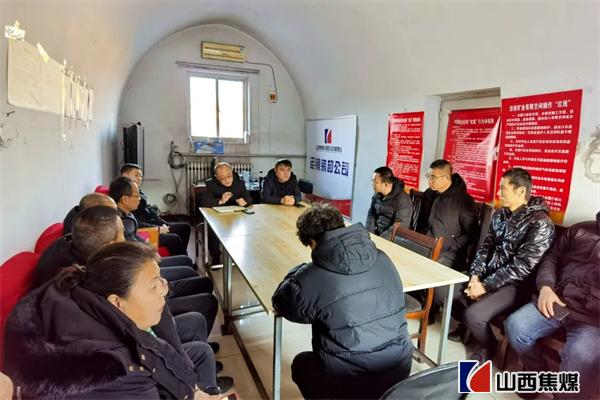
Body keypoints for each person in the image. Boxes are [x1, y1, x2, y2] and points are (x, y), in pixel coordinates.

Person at [4, 242, 221, 399]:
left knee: (200, 352)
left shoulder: (76, 292)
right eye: (154, 285)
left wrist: (192, 392)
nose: (165, 290)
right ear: (117, 302)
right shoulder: (113, 371)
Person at [272, 203, 413, 399]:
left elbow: (281, 303)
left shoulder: (310, 277)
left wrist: (298, 271)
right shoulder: (382, 258)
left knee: (301, 364)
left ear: (312, 241)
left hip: (348, 380)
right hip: (399, 369)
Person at [451, 167, 555, 363]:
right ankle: (472, 329)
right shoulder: (500, 214)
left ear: (521, 191)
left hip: (515, 285)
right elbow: (485, 247)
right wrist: (475, 276)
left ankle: (489, 346)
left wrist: (485, 286)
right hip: (488, 276)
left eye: (503, 188)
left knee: (474, 315)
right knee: (445, 293)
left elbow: (521, 267)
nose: (498, 193)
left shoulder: (540, 223)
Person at [505, 211, 600, 400]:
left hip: (592, 319)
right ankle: (538, 373)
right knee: (515, 326)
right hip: (558, 300)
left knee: (582, 356)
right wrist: (546, 287)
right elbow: (551, 258)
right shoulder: (580, 230)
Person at [417, 159, 477, 268]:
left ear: (445, 178)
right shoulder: (429, 194)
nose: (429, 180)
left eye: (433, 177)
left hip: (449, 254)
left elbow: (471, 234)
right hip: (425, 246)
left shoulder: (463, 200)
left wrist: (449, 246)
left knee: (426, 269)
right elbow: (421, 222)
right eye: (428, 176)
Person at [121, 163, 191, 255]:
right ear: (125, 176)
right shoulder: (126, 197)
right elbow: (138, 223)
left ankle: (181, 254)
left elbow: (151, 212)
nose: (140, 178)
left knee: (185, 228)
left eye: (141, 176)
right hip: (146, 231)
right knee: (174, 238)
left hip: (152, 224)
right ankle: (181, 258)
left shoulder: (138, 192)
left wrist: (163, 223)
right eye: (136, 175)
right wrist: (158, 229)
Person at [200, 162, 253, 266]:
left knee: (247, 227)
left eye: (229, 176)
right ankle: (216, 256)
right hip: (217, 217)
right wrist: (220, 201)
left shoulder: (239, 183)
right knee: (212, 230)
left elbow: (249, 198)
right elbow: (204, 202)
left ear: (232, 173)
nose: (227, 180)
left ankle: (241, 254)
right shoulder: (211, 185)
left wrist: (245, 202)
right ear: (216, 177)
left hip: (236, 216)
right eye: (222, 178)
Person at [366, 166, 412, 238]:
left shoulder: (403, 199)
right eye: (372, 181)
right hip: (377, 235)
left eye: (375, 182)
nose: (372, 184)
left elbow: (400, 226)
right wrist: (369, 234)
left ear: (385, 184)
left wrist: (380, 240)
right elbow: (371, 214)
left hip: (392, 239)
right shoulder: (377, 195)